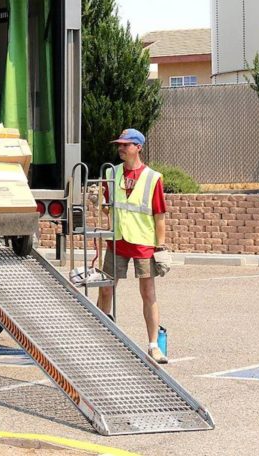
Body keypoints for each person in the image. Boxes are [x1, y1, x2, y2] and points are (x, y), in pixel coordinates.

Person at [94, 128, 171, 365]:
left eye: (126, 145)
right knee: (106, 289)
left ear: (138, 147)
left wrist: (161, 246)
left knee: (148, 294)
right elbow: (107, 208)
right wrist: (97, 200)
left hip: (143, 242)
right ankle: (100, 339)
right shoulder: (111, 172)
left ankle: (153, 346)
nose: (121, 148)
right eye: (119, 144)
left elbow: (159, 215)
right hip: (116, 239)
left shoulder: (153, 177)